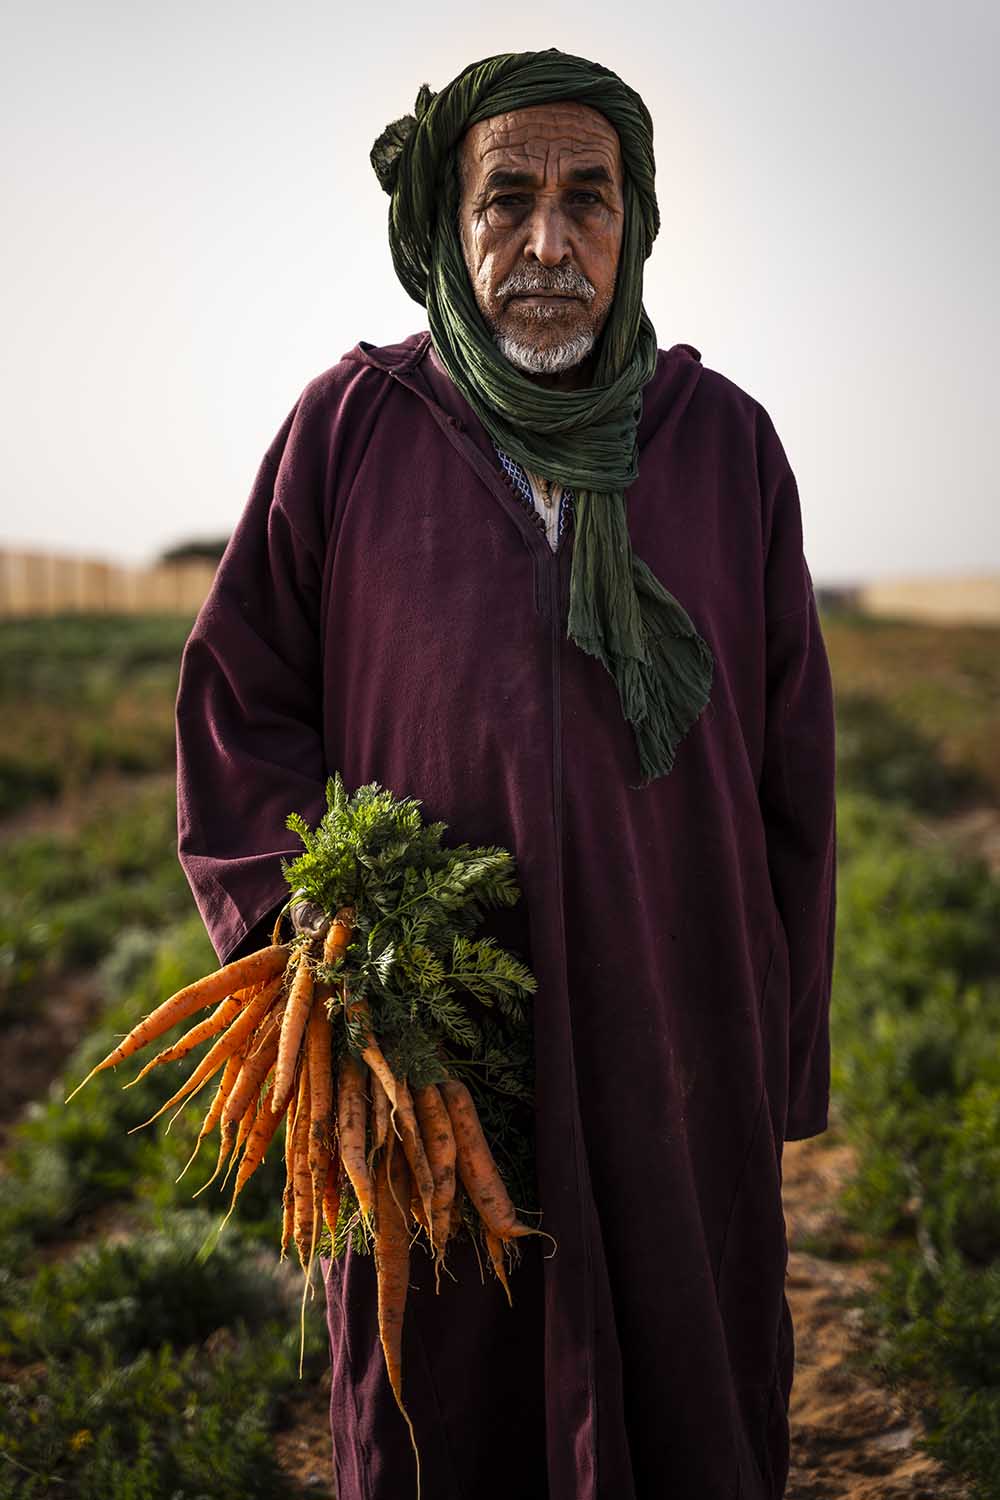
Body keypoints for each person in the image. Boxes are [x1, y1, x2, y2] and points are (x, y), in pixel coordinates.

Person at [175, 47, 836, 1500]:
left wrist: (773, 1058)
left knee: (689, 1390)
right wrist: (319, 964)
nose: (549, 242)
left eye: (588, 200)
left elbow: (794, 781)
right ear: (441, 228)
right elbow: (240, 705)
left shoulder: (726, 449)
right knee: (441, 1402)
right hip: (431, 1071)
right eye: (508, 200)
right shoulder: (349, 433)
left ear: (636, 225)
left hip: (679, 1028)